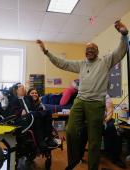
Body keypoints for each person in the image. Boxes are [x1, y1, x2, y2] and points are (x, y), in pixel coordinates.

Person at [36, 20, 129, 170]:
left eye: (92, 48)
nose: (89, 50)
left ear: (97, 51)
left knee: (94, 140)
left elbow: (120, 51)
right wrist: (46, 52)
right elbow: (62, 63)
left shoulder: (105, 61)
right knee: (71, 130)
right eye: (87, 48)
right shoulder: (81, 64)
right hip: (80, 101)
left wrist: (124, 35)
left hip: (96, 103)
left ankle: (93, 167)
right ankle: (74, 160)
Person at [9, 83, 59, 149]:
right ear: (16, 90)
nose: (23, 88)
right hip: (22, 119)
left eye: (23, 87)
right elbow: (13, 111)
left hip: (31, 115)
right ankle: (40, 141)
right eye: (21, 87)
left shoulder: (28, 98)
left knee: (48, 113)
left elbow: (34, 108)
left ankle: (49, 138)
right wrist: (21, 111)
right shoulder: (14, 99)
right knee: (37, 115)